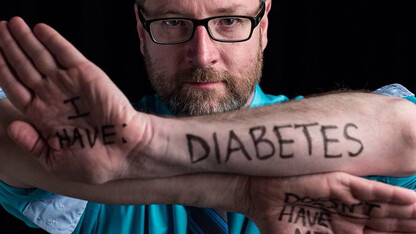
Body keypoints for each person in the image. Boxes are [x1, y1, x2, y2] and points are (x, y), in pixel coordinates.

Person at [0, 0, 415, 233]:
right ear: (142, 32)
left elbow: (406, 132)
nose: (201, 54)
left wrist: (148, 144)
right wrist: (241, 193)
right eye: (174, 22)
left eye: (230, 20)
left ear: (264, 25)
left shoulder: (120, 142)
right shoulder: (93, 139)